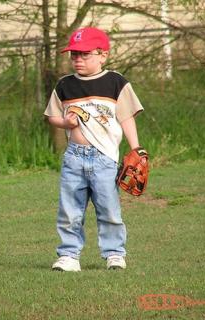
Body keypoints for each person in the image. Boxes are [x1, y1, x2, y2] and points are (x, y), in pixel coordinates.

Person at [44, 27, 144, 272]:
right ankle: (69, 255)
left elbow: (127, 117)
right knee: (69, 209)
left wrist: (136, 148)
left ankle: (114, 253)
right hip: (74, 158)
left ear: (103, 55)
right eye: (74, 54)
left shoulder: (115, 82)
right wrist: (65, 122)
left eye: (85, 54)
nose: (78, 59)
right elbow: (52, 117)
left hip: (105, 158)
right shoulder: (65, 85)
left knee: (108, 208)